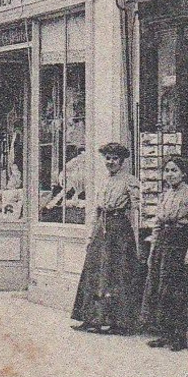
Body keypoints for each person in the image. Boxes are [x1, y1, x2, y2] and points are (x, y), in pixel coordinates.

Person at [71, 142, 143, 334]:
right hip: (101, 229)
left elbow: (137, 210)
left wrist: (136, 237)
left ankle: (118, 323)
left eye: (115, 159)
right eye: (108, 158)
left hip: (119, 229)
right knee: (94, 272)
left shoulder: (129, 181)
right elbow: (96, 210)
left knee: (116, 274)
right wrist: (90, 236)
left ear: (122, 161)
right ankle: (91, 319)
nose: (111, 162)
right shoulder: (102, 181)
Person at [142, 155, 188, 351]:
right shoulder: (165, 195)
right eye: (167, 170)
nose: (170, 174)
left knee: (176, 292)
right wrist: (153, 250)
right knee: (160, 289)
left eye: (174, 170)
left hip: (180, 243)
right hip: (164, 243)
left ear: (183, 173)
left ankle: (179, 337)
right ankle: (164, 334)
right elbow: (158, 224)